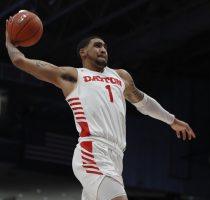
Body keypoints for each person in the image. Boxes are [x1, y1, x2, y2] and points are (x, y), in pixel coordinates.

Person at [5, 19, 196, 200]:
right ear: (83, 52)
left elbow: (143, 103)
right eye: (97, 45)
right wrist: (10, 42)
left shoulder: (121, 76)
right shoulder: (73, 76)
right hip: (93, 150)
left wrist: (171, 120)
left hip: (117, 156)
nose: (103, 49)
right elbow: (21, 62)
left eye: (104, 46)